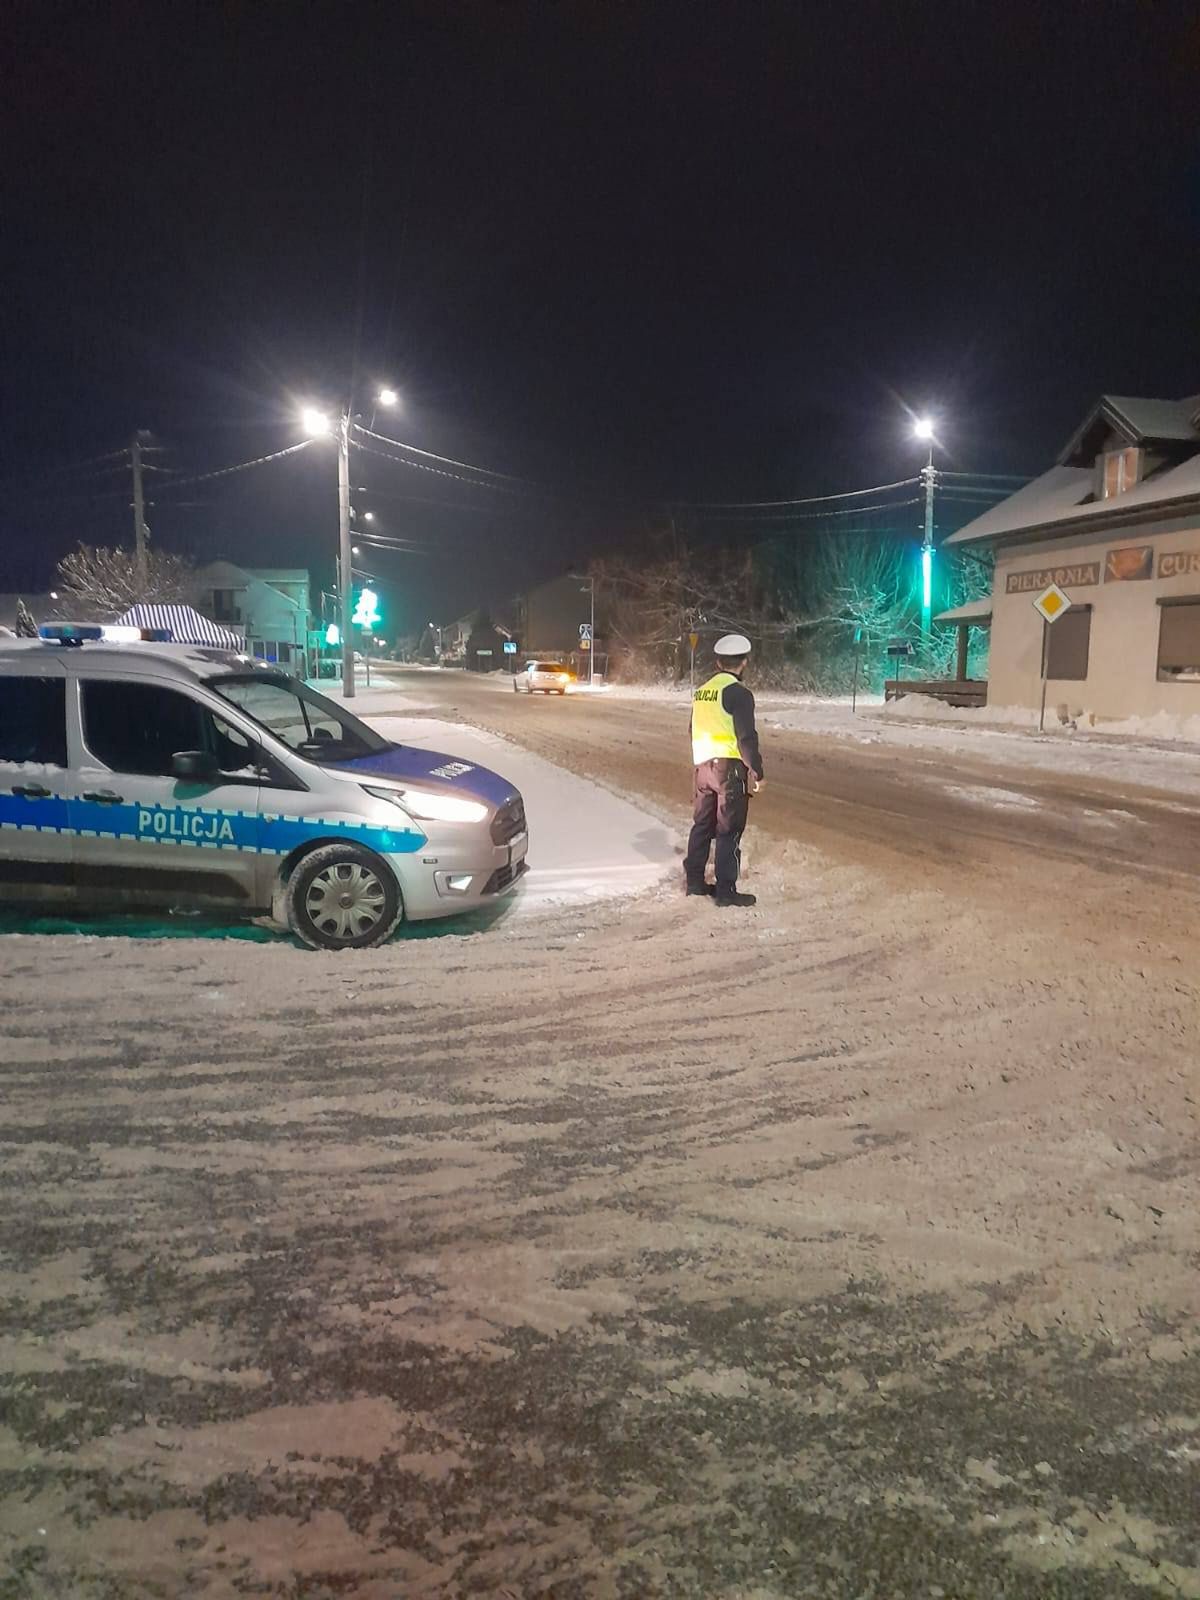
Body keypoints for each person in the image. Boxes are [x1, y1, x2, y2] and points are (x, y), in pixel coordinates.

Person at [683, 634, 764, 908]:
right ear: (744, 663)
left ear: (718, 663)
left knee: (702, 825)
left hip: (702, 767)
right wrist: (756, 770)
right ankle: (726, 891)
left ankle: (694, 882)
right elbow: (746, 737)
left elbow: (692, 729)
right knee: (730, 829)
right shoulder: (739, 694)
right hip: (728, 770)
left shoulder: (703, 691)